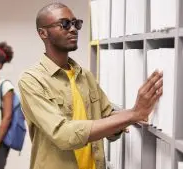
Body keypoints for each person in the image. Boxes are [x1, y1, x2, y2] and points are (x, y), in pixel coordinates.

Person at [18, 3, 163, 169]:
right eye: (64, 24)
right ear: (43, 33)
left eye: (76, 23)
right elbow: (63, 135)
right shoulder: (31, 80)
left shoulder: (85, 76)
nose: (73, 29)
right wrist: (132, 114)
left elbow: (107, 120)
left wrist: (137, 113)